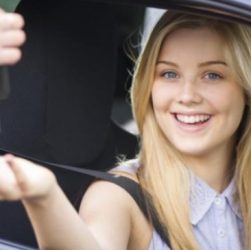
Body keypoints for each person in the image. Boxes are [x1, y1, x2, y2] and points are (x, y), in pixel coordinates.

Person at [0, 7, 249, 250]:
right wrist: (44, 194)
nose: (187, 96)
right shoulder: (117, 197)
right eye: (170, 74)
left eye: (212, 75)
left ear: (245, 86)